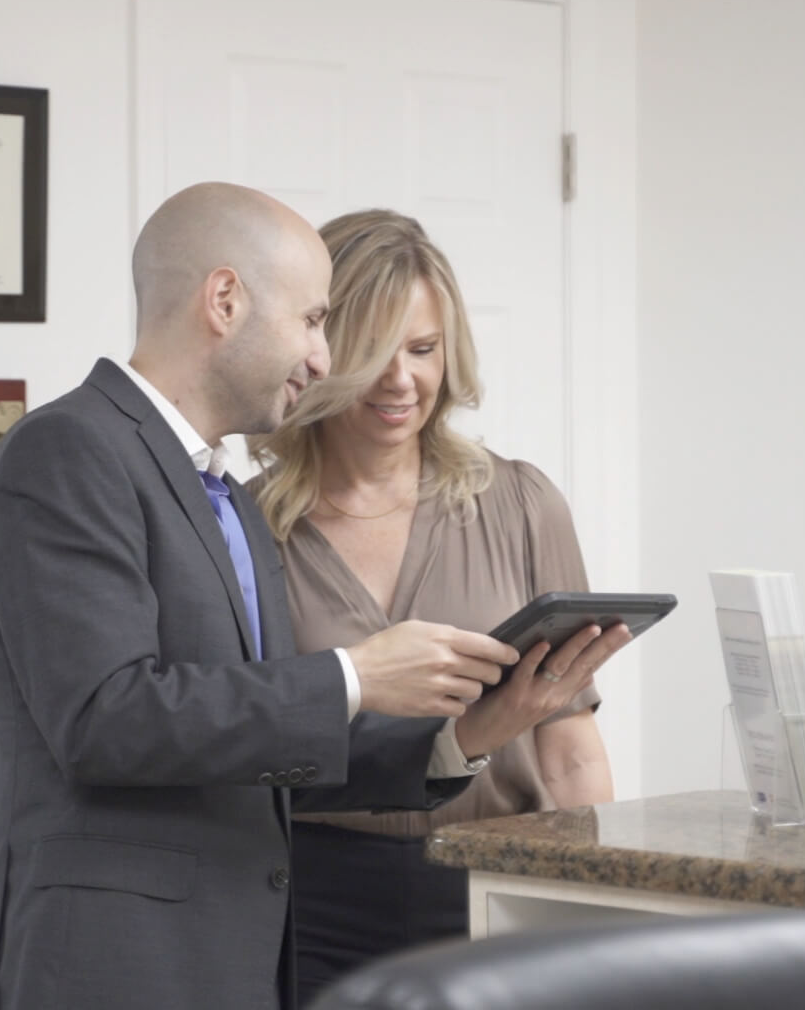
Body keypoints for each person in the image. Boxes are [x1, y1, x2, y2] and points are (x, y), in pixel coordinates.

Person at [0, 183, 617, 1010]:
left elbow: (266, 756)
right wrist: (354, 675)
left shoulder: (223, 497)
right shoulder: (66, 450)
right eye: (314, 322)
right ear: (225, 301)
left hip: (241, 959)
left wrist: (460, 738)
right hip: (121, 965)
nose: (320, 358)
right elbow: (103, 718)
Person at [251, 209, 624, 1003]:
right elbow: (240, 737)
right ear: (319, 354)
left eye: (423, 349)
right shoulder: (249, 529)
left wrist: (604, 901)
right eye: (374, 351)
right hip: (312, 900)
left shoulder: (520, 504)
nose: (401, 380)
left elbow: (570, 742)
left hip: (500, 883)